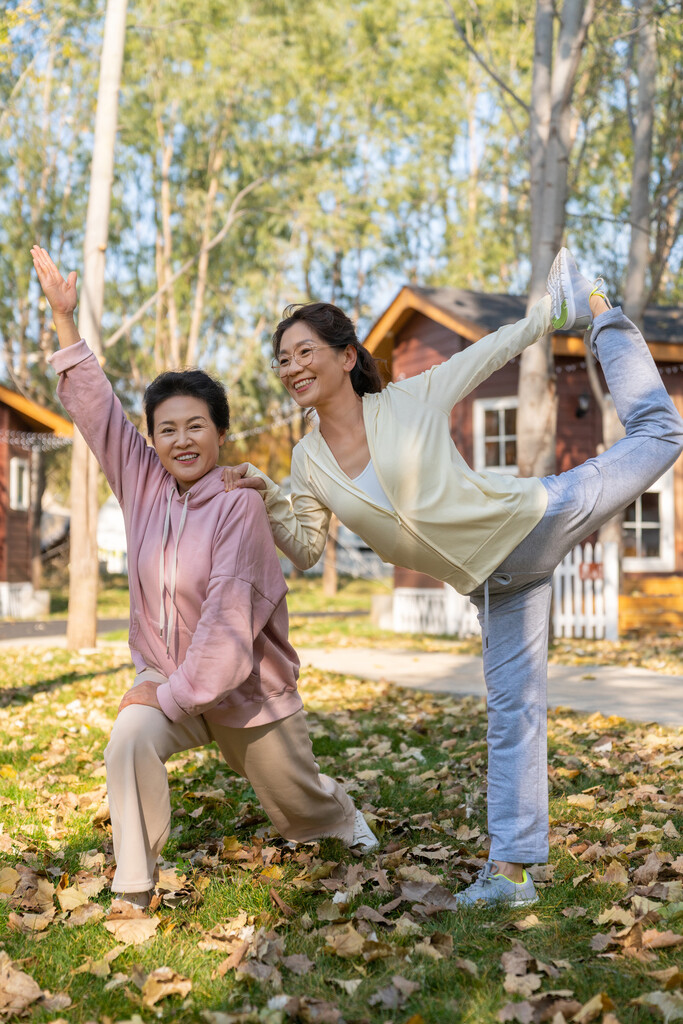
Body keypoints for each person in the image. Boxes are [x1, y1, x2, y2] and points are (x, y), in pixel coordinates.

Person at [223, 248, 683, 907]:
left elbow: (488, 352)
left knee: (660, 431)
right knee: (511, 715)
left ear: (345, 355)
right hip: (497, 587)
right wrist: (267, 491)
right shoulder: (307, 462)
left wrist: (556, 313)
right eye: (283, 358)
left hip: (536, 517)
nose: (291, 367)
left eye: (303, 352)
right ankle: (511, 877)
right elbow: (305, 551)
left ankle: (601, 310)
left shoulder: (407, 400)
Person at [31, 245, 377, 909]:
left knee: (305, 814)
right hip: (167, 679)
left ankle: (340, 817)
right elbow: (98, 410)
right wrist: (64, 320)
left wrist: (168, 695)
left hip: (245, 690)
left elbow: (227, 619)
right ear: (153, 439)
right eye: (167, 430)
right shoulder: (143, 483)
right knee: (127, 740)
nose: (182, 440)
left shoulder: (240, 503)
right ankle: (133, 885)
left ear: (219, 433)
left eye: (196, 426)